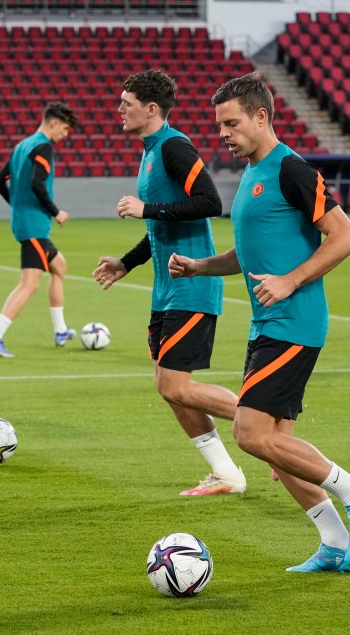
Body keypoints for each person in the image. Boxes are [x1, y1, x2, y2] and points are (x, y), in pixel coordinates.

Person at [168, 72, 350, 572]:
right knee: (278, 452)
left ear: (262, 116)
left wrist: (290, 280)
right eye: (218, 125)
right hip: (267, 325)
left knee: (250, 434)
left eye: (231, 123)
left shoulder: (292, 169)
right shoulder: (251, 173)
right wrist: (201, 266)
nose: (222, 134)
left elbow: (345, 236)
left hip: (294, 321)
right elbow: (245, 254)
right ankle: (335, 543)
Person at [92, 69, 246, 497]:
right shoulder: (150, 151)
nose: (119, 109)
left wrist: (147, 207)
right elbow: (159, 227)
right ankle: (227, 475)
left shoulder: (175, 146)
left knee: (174, 384)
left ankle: (266, 420)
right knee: (171, 390)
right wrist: (126, 263)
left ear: (151, 108)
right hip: (166, 290)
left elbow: (210, 203)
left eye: (126, 102)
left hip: (193, 285)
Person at [0, 102, 80, 358]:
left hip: (26, 221)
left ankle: (60, 330)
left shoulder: (22, 145)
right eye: (66, 129)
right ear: (54, 123)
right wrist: (55, 211)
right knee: (29, 283)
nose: (66, 135)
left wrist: (17, 204)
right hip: (34, 224)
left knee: (59, 266)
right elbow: (37, 183)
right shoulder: (44, 146)